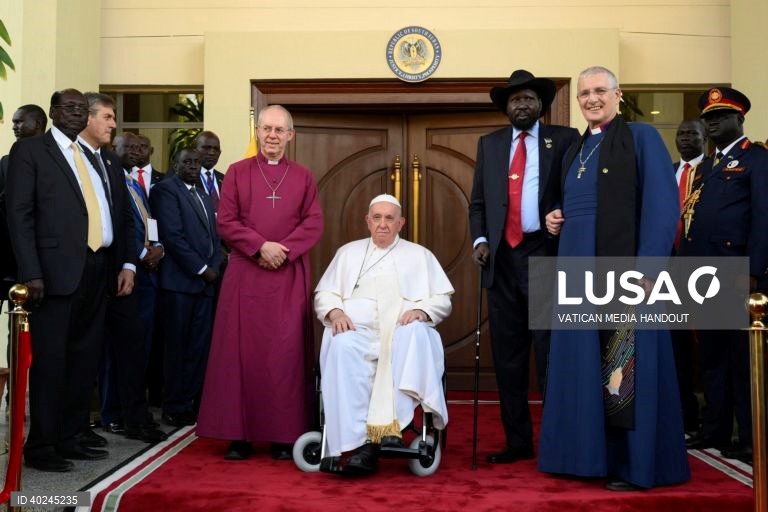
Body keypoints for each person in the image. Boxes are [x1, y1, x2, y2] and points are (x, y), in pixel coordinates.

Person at [538, 66, 690, 490]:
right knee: (582, 365)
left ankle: (631, 464)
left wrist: (648, 271)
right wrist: (556, 218)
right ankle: (583, 457)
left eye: (599, 91)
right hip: (577, 275)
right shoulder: (574, 149)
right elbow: (576, 203)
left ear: (618, 95)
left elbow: (663, 208)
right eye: (584, 93)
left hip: (627, 277)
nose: (591, 99)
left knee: (624, 365)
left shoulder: (641, 139)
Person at [6, 89, 136, 472]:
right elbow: (19, 214)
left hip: (97, 270)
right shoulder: (31, 152)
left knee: (84, 360)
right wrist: (30, 271)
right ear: (54, 112)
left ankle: (70, 435)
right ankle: (42, 445)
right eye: (71, 108)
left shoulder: (96, 158)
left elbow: (110, 212)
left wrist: (121, 263)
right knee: (51, 361)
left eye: (83, 109)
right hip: (52, 275)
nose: (78, 114)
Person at [196, 105, 323, 461]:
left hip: (288, 274)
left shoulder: (303, 176)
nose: (271, 136)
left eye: (279, 130)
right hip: (246, 273)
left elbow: (313, 223)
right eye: (266, 129)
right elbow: (226, 220)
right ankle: (239, 436)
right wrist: (259, 247)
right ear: (258, 133)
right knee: (239, 354)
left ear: (290, 136)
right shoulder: (237, 173)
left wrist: (284, 250)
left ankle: (285, 436)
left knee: (285, 355)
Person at [469, 69, 579, 464]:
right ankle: (517, 442)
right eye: (515, 100)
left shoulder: (565, 139)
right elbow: (478, 203)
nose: (522, 105)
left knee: (551, 353)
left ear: (541, 105)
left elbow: (578, 192)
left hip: (545, 254)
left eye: (529, 99)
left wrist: (562, 214)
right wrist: (480, 241)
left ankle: (558, 441)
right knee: (509, 358)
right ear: (506, 108)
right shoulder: (490, 144)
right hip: (501, 262)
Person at [314, 194, 454, 475]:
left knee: (412, 337)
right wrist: (335, 313)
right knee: (341, 344)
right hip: (360, 332)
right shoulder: (348, 253)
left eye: (389, 218)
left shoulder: (420, 255)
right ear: (367, 221)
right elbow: (325, 293)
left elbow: (443, 298)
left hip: (400, 331)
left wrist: (423, 311)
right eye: (376, 217)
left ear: (401, 222)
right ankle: (357, 438)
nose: (382, 224)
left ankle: (389, 431)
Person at [679, 87, 768, 465]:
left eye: (721, 116)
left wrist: (753, 272)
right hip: (704, 276)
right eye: (709, 117)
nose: (712, 122)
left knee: (742, 361)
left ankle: (750, 438)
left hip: (736, 275)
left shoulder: (758, 159)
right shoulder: (709, 166)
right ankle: (714, 429)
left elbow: (764, 218)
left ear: (740, 119)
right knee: (712, 357)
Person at [96, 129, 167, 443]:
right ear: (115, 149)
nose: (137, 152)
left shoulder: (134, 184)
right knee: (117, 351)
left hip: (147, 275)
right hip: (123, 274)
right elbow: (119, 227)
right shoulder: (113, 180)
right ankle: (112, 415)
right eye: (129, 146)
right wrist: (139, 254)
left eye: (142, 146)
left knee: (139, 349)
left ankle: (133, 414)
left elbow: (146, 223)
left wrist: (158, 248)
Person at [150, 149, 220, 428]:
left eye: (196, 162)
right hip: (180, 285)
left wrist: (214, 265)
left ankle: (190, 402)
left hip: (204, 286)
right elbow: (172, 235)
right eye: (186, 162)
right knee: (176, 349)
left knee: (198, 348)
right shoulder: (165, 190)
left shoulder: (202, 192)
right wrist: (203, 269)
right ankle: (173, 405)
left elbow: (214, 236)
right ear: (174, 165)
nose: (193, 166)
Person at [670, 119, 706, 433]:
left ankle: (719, 420)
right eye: (680, 134)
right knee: (677, 347)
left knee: (709, 346)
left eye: (691, 134)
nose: (685, 139)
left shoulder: (716, 170)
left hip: (705, 270)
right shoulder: (668, 172)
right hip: (669, 271)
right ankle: (685, 416)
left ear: (704, 137)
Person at [195, 131, 224, 213]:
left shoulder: (224, 179)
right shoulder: (186, 178)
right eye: (206, 148)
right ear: (195, 150)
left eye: (216, 149)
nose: (212, 153)